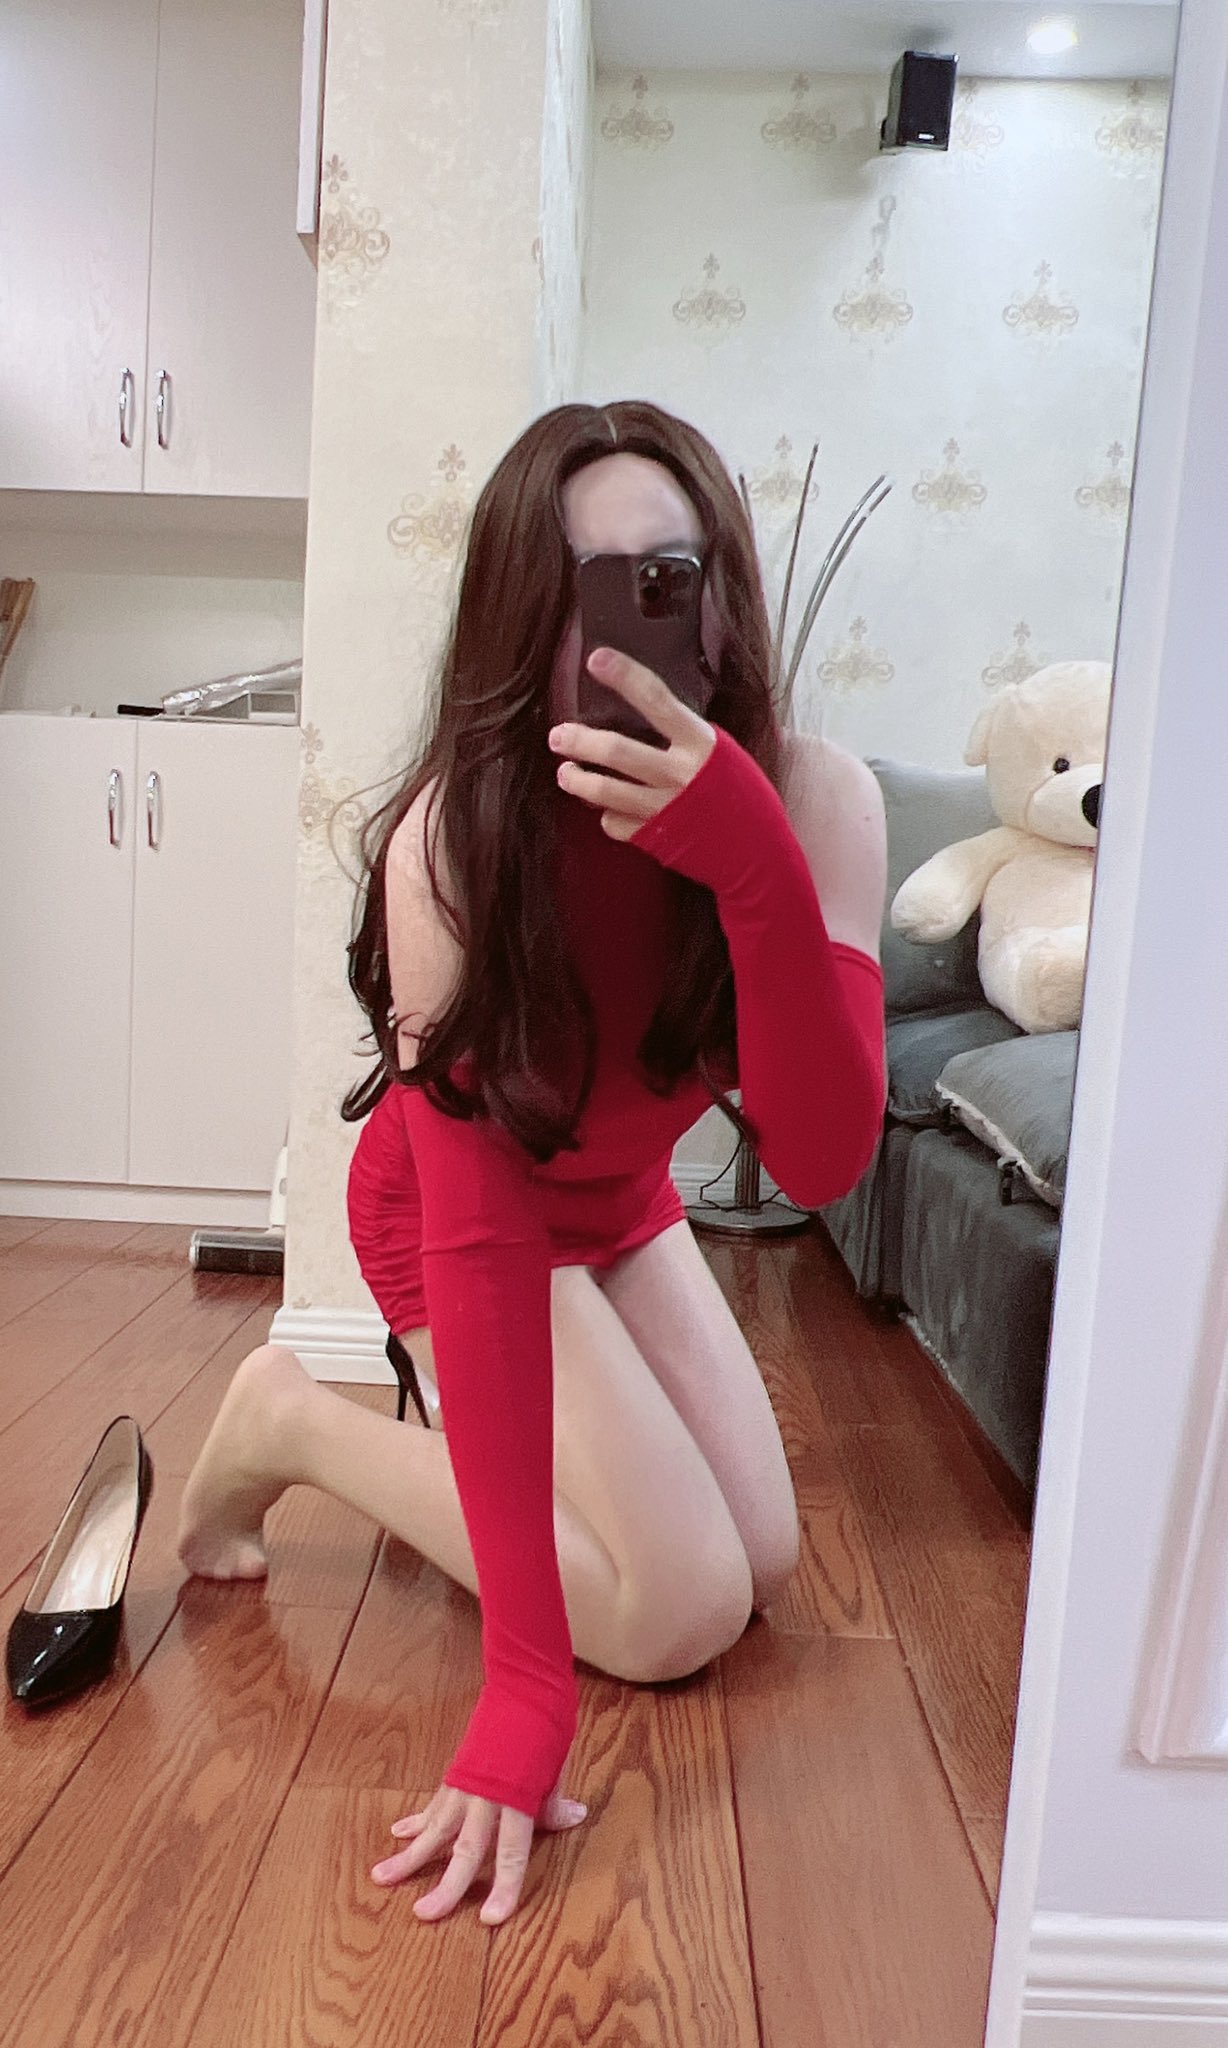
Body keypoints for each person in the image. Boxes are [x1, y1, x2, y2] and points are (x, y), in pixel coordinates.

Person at [176, 399, 888, 1929]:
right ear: (515, 618)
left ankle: (375, 1445)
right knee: (676, 1609)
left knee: (763, 1562)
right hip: (456, 1217)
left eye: (665, 578)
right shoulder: (452, 847)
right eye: (577, 590)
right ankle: (290, 1420)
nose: (619, 634)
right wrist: (521, 1694)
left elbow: (826, 1159)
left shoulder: (819, 801)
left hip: (623, 1201)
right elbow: (486, 1246)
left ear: (722, 595)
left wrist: (751, 860)